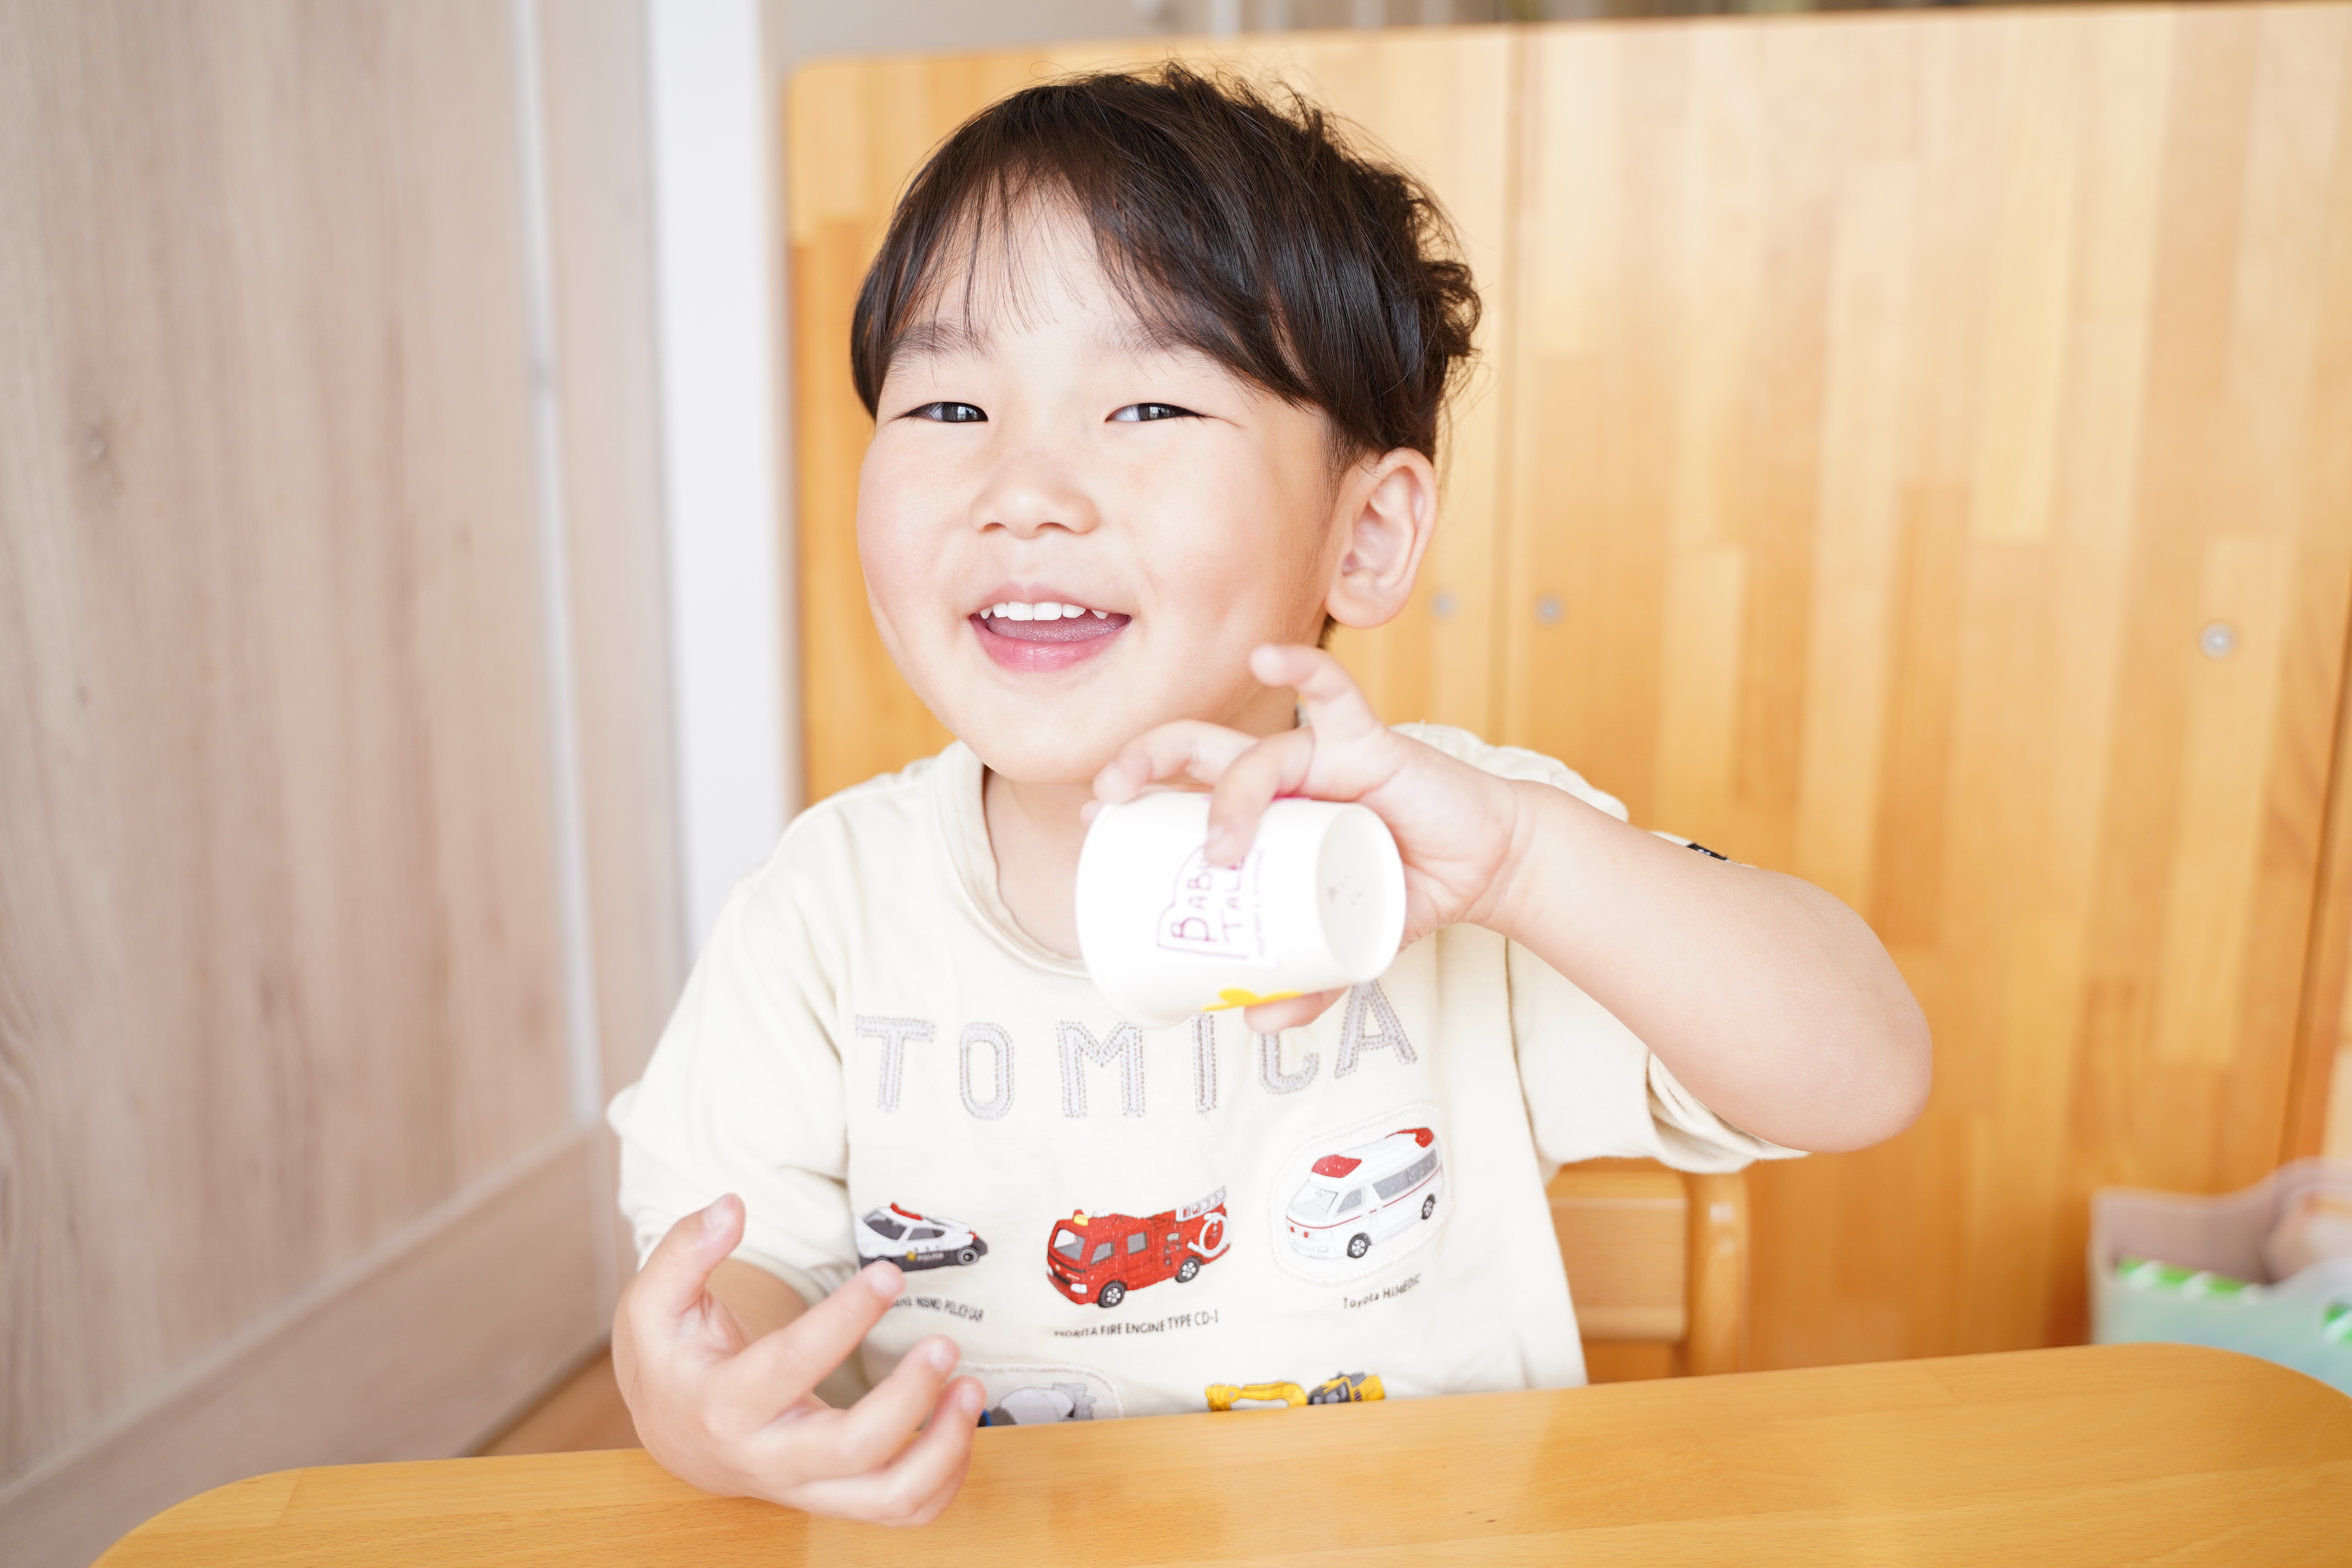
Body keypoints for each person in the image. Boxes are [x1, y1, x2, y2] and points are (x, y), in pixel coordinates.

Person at [605, 64, 1930, 1526]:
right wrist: (710, 1401)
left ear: (1364, 535)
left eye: (1148, 403)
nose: (1022, 488)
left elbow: (1866, 1074)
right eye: (953, 403)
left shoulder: (1459, 850)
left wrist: (1528, 866)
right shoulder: (829, 906)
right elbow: (722, 1286)